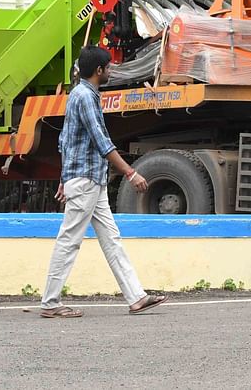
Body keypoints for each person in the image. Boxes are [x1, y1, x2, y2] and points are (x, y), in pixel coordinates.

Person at [39, 46, 167, 318]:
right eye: (108, 68)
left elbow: (65, 141)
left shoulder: (84, 95)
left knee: (111, 239)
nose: (111, 71)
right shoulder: (85, 96)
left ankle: (136, 297)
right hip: (86, 180)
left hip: (91, 181)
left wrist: (64, 178)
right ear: (99, 71)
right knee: (70, 240)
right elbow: (101, 142)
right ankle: (50, 302)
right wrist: (131, 173)